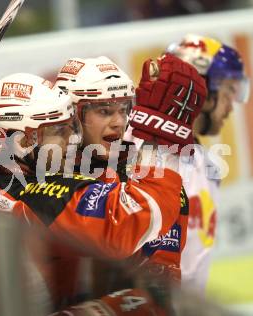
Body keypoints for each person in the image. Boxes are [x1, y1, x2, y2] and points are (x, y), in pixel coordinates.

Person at [0, 72, 185, 315]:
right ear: (20, 141)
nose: (73, 140)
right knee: (143, 306)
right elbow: (127, 224)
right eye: (58, 131)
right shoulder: (41, 192)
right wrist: (158, 140)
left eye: (71, 127)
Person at [53, 55, 206, 304]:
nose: (119, 122)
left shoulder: (149, 181)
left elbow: (158, 296)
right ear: (71, 115)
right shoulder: (38, 168)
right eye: (104, 111)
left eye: (124, 110)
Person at [166, 34, 250, 293]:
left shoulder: (208, 167)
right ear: (202, 90)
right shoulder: (134, 151)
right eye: (229, 91)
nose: (232, 106)